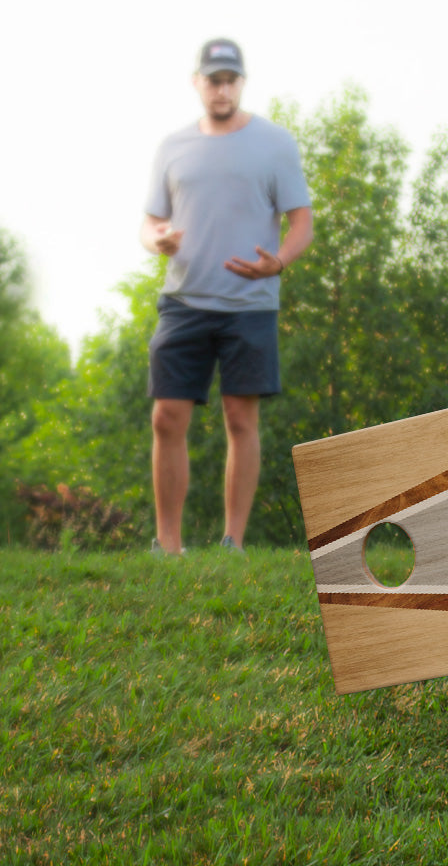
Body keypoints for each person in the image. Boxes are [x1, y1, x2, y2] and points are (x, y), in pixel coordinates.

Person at [141, 38, 313, 555]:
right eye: (212, 79)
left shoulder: (275, 143)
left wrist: (278, 261)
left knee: (241, 418)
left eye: (230, 79)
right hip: (184, 302)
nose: (221, 88)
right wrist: (158, 240)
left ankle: (232, 542)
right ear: (197, 82)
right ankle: (168, 544)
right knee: (166, 417)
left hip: (250, 304)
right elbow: (150, 221)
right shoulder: (172, 146)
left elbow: (302, 221)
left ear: (242, 83)